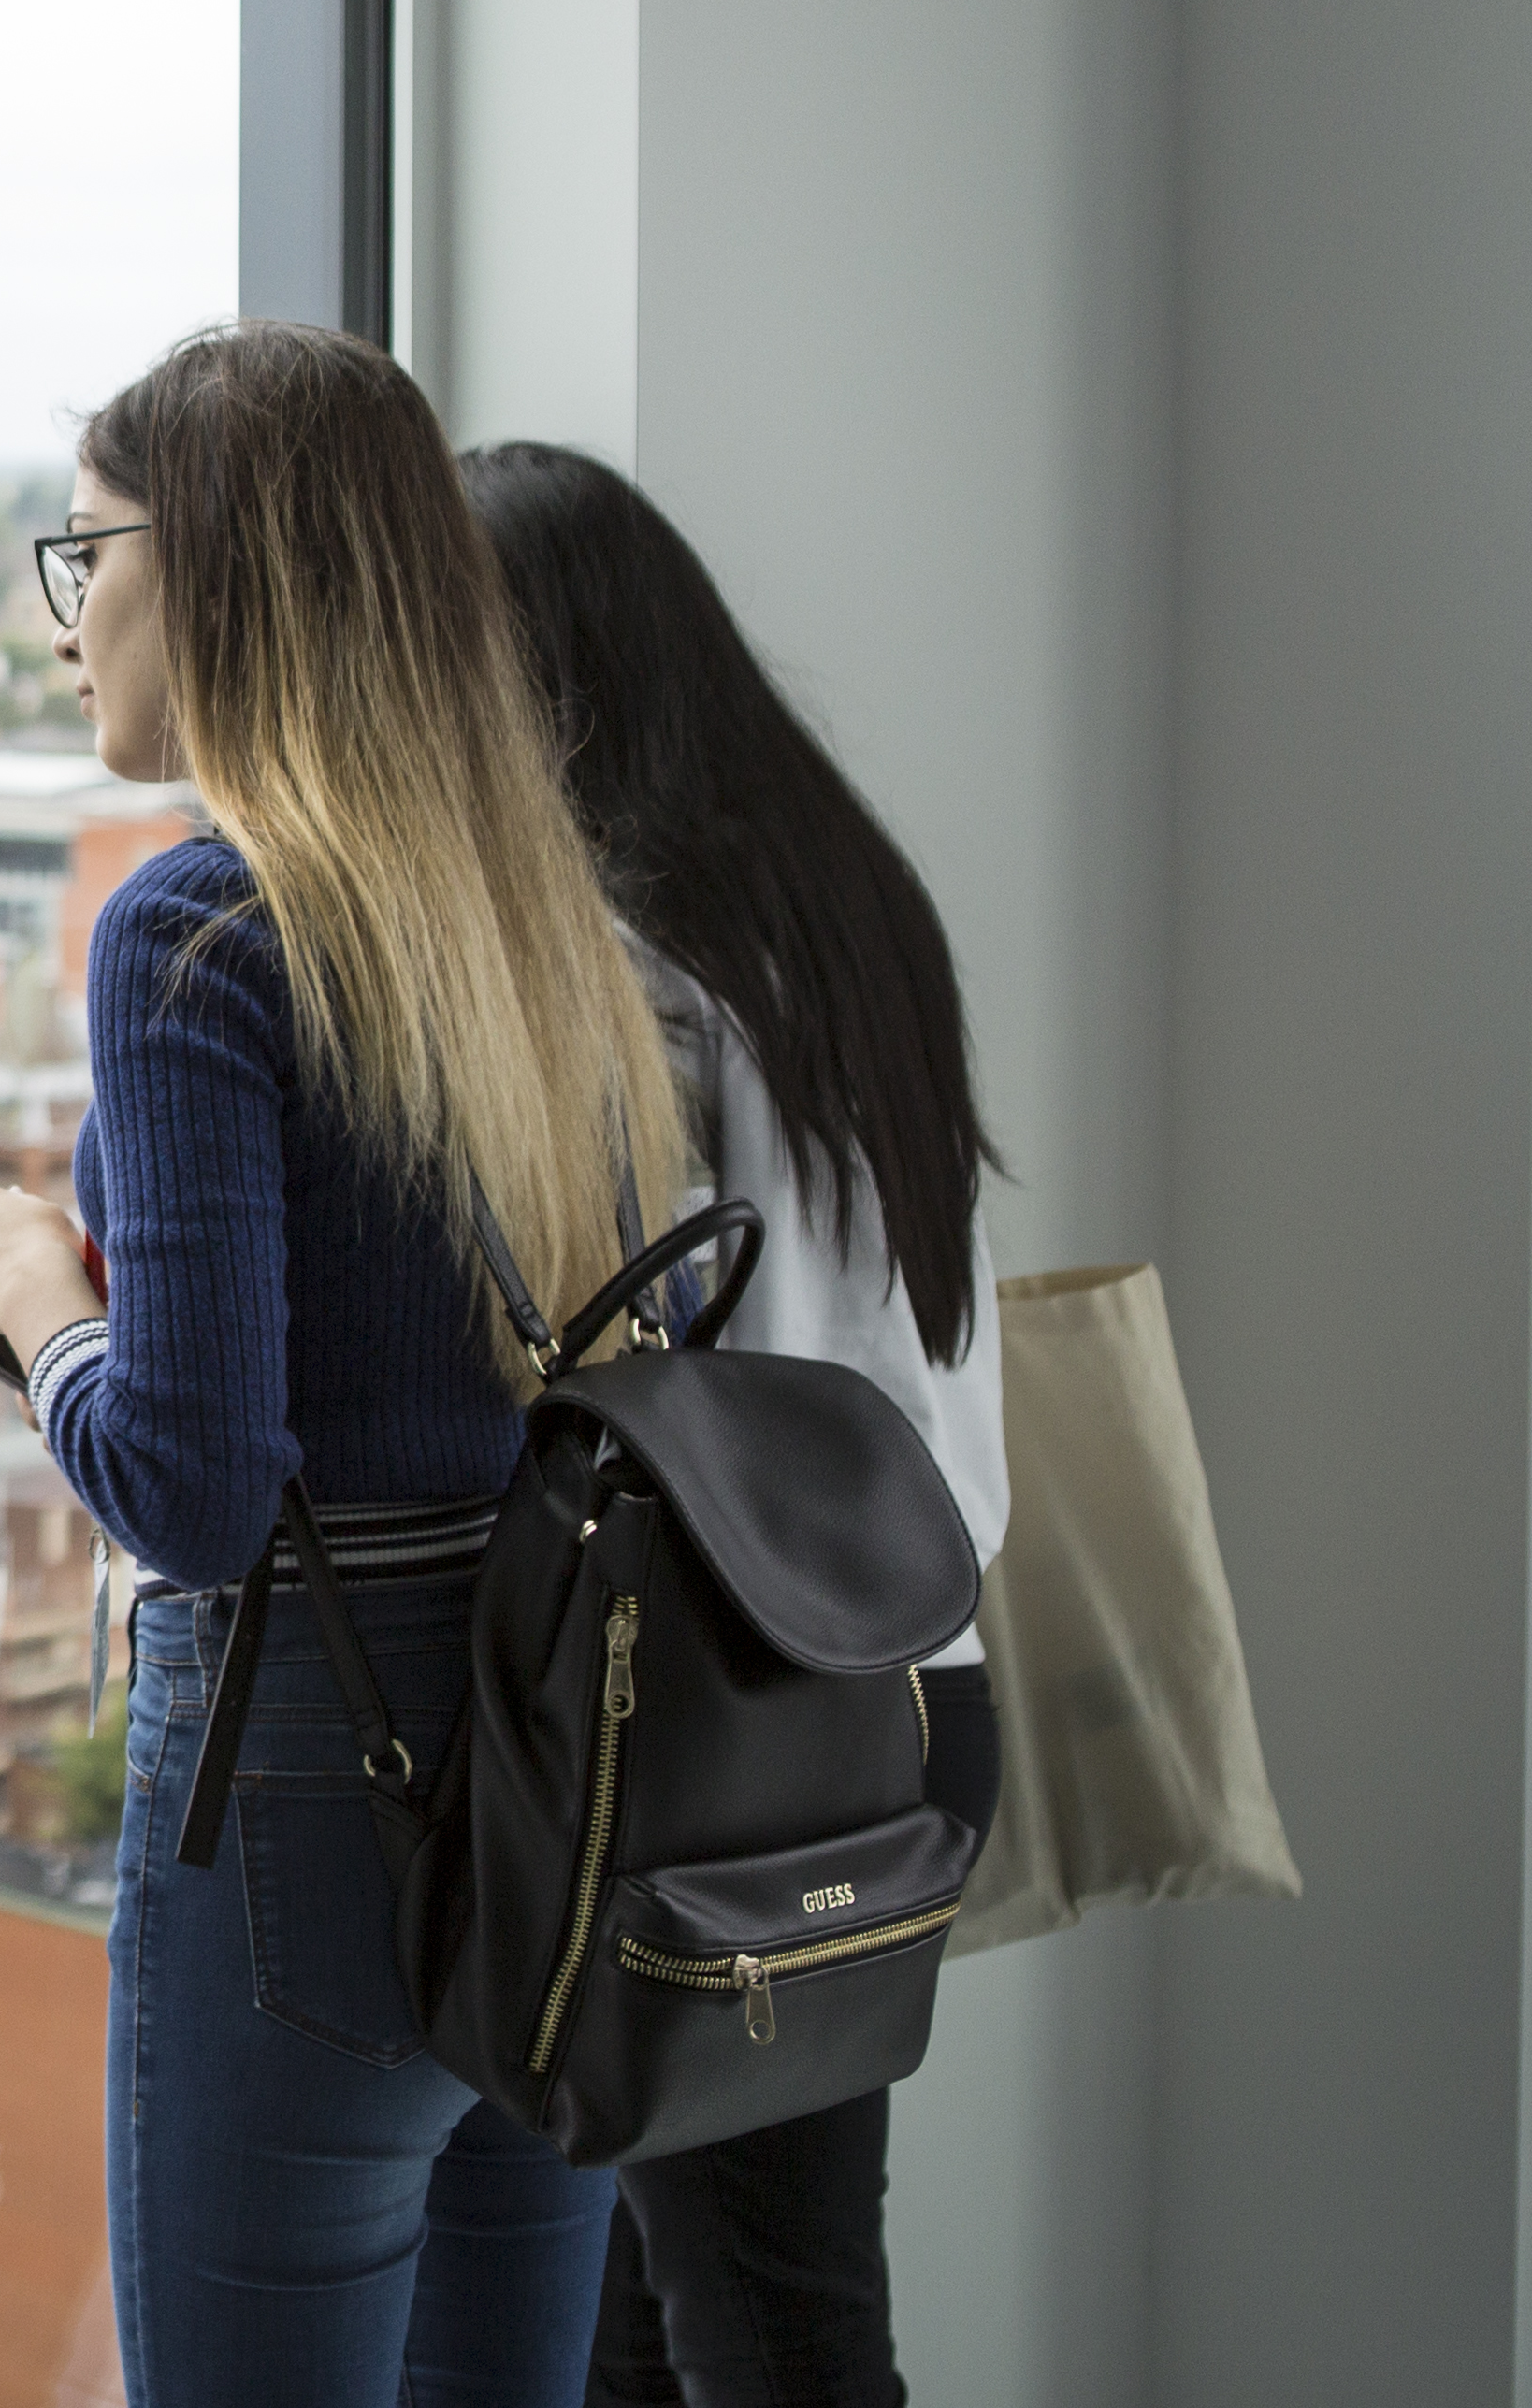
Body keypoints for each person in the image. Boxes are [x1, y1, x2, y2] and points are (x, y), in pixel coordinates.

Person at [0, 323, 690, 2408]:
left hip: (306, 1775)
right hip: (565, 1760)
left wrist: (29, 1294)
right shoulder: (550, 930)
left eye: (90, 556)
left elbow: (188, 1480)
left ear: (224, 571)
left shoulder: (196, 934)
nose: (71, 625)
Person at [457, 440, 1013, 2408]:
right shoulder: (851, 912)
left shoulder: (620, 976)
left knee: (752, 2324)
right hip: (913, 1677)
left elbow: (562, 1341)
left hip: (714, 1718)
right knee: (694, 2299)